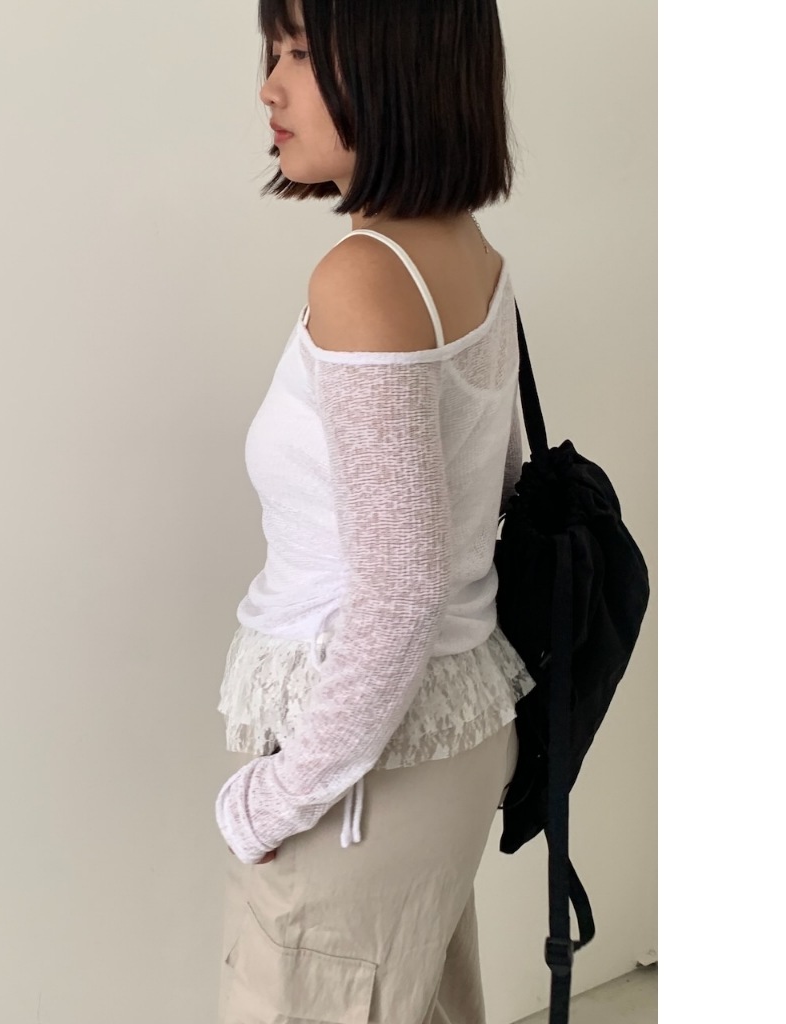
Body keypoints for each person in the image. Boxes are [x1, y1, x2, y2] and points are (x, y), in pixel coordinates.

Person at [214, 2, 534, 1021]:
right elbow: (495, 494)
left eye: (303, 53)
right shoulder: (466, 251)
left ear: (399, 62)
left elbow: (400, 589)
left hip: (364, 777)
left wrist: (273, 798)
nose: (270, 86)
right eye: (273, 50)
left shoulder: (366, 277)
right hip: (440, 743)